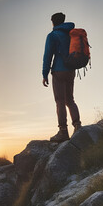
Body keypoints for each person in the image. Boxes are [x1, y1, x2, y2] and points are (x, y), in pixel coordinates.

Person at [42, 12, 82, 142]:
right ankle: (78, 126)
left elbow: (47, 56)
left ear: (53, 22)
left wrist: (45, 74)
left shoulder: (53, 35)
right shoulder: (71, 34)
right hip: (71, 70)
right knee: (70, 100)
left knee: (60, 101)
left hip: (59, 71)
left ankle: (63, 131)